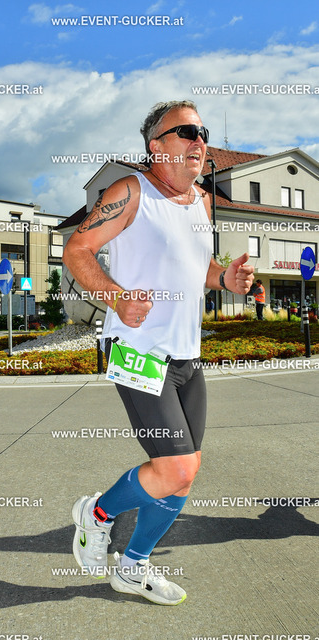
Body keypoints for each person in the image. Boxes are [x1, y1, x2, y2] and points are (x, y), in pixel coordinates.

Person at [63, 100, 254, 606]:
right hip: (138, 351)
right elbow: (77, 250)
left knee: (183, 474)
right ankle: (97, 514)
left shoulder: (202, 201)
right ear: (156, 145)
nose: (199, 141)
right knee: (176, 469)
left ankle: (133, 566)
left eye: (203, 132)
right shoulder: (130, 191)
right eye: (186, 131)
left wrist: (226, 279)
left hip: (186, 355)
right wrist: (115, 297)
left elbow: (198, 266)